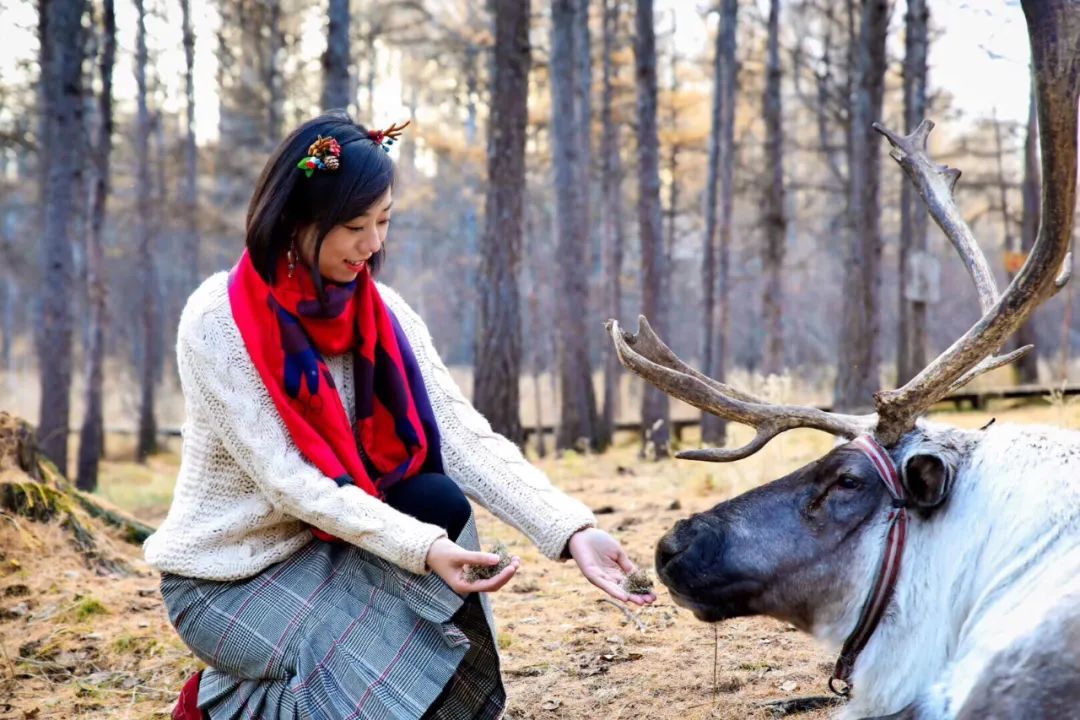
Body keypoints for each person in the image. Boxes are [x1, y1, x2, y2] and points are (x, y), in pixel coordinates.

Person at [144, 111, 656, 720]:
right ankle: (213, 706)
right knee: (358, 663)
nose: (374, 244)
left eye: (383, 221)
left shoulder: (385, 315)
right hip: (224, 580)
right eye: (354, 226)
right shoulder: (217, 323)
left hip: (333, 548)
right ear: (296, 222)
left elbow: (462, 437)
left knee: (434, 502)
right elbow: (292, 483)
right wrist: (423, 548)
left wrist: (571, 531)